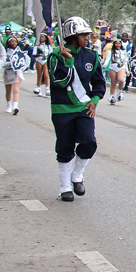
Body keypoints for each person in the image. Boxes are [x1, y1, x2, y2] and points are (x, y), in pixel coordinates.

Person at [47, 16, 105, 201]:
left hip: (83, 108)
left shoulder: (91, 56)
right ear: (72, 36)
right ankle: (65, 187)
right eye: (83, 35)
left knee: (89, 142)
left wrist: (94, 100)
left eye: (88, 34)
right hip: (62, 109)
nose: (88, 38)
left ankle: (77, 175)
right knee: (65, 146)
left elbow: (98, 83)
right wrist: (68, 62)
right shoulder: (56, 56)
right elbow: (59, 82)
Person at [2, 36, 24, 115]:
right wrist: (11, 64)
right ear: (8, 43)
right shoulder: (5, 52)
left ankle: (15, 106)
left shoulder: (19, 51)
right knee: (8, 90)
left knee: (16, 90)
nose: (14, 43)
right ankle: (8, 105)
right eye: (12, 41)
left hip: (17, 72)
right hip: (8, 72)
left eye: (15, 41)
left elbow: (24, 61)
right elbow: (2, 63)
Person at [104, 39, 127, 105]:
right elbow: (108, 59)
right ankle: (112, 96)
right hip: (113, 66)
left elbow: (125, 61)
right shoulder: (110, 51)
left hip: (121, 67)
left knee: (121, 80)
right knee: (113, 83)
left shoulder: (123, 52)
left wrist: (127, 70)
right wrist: (105, 65)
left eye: (119, 43)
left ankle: (120, 92)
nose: (117, 44)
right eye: (116, 43)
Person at [32, 33, 52, 97]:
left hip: (45, 60)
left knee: (46, 75)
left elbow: (50, 53)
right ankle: (38, 88)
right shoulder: (37, 46)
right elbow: (33, 54)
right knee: (39, 74)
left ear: (46, 38)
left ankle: (47, 88)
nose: (41, 38)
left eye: (43, 37)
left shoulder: (48, 46)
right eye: (40, 37)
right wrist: (38, 55)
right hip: (39, 60)